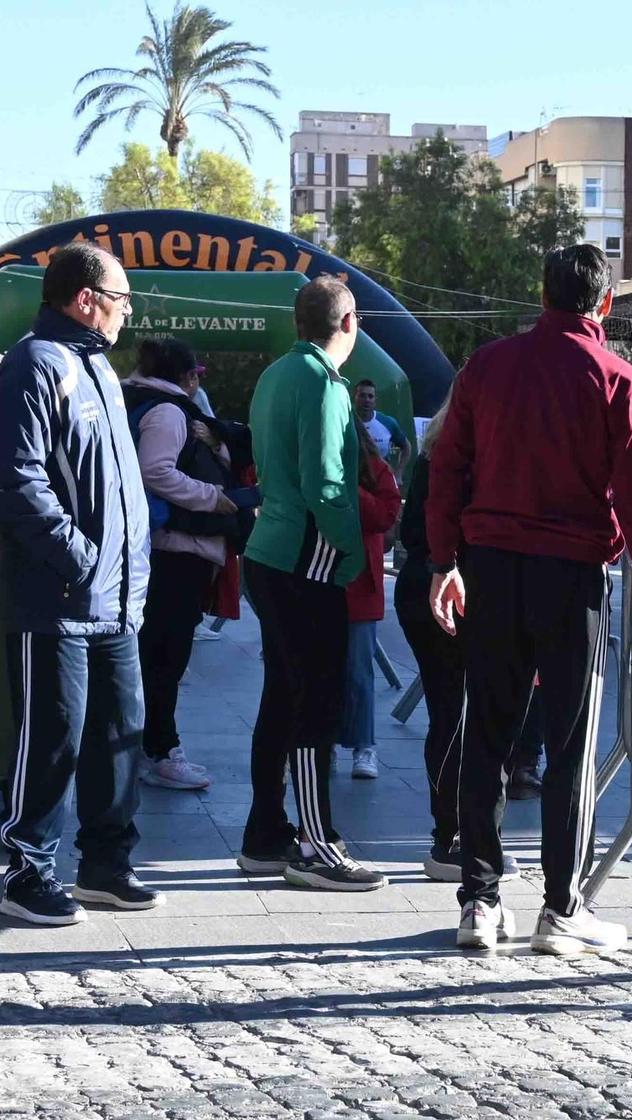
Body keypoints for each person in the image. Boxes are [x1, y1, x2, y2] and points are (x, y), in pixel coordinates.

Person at [429, 243, 632, 955]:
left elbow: (448, 465)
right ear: (605, 304)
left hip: (492, 566)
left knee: (487, 733)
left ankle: (478, 899)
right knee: (568, 743)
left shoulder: (488, 367)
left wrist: (444, 560)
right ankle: (561, 907)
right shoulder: (619, 380)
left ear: (541, 295)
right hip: (571, 577)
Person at [0, 243, 158, 923]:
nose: (126, 313)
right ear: (85, 299)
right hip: (55, 600)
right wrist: (80, 557)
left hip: (115, 602)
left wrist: (125, 571)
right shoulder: (34, 364)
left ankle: (105, 866)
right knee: (53, 735)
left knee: (123, 731)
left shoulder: (101, 371)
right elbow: (16, 480)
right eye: (120, 299)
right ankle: (28, 874)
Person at [236, 276, 390, 892]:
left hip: (270, 551)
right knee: (317, 705)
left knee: (282, 697)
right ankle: (317, 844)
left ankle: (265, 834)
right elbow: (328, 485)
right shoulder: (327, 385)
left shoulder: (276, 375)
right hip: (307, 556)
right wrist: (351, 553)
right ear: (348, 323)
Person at [396, 416, 524, 886]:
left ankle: (456, 833)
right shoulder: (477, 453)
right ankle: (455, 837)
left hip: (429, 585)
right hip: (458, 588)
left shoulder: (436, 451)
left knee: (451, 712)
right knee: (466, 716)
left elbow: (414, 530)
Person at [126, 335, 250, 790]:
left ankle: (146, 745)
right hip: (176, 550)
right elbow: (154, 470)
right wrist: (212, 498)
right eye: (196, 373)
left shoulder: (147, 403)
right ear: (186, 375)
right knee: (166, 655)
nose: (199, 381)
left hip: (166, 548)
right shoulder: (169, 412)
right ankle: (161, 749)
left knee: (154, 654)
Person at [340, 446, 402, 780]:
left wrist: (349, 486)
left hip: (359, 584)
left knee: (358, 670)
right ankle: (325, 742)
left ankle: (364, 745)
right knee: (323, 669)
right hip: (321, 581)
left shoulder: (374, 468)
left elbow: (384, 516)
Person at [353, 379, 409, 471]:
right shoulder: (346, 421)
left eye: (370, 396)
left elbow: (406, 447)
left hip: (379, 479)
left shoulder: (387, 423)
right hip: (353, 478)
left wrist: (398, 473)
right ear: (354, 398)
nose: (366, 400)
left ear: (375, 401)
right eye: (362, 395)